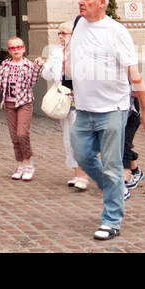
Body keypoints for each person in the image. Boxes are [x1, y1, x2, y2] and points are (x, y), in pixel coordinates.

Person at [65, 0, 145, 241]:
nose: (81, 2)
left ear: (102, 3)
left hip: (113, 109)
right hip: (84, 108)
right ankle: (114, 189)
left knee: (112, 165)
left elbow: (134, 72)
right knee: (82, 155)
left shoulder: (117, 32)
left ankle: (112, 219)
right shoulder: (79, 24)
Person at [0, 37, 44, 180]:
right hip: (9, 104)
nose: (16, 50)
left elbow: (33, 82)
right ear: (9, 51)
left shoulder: (29, 65)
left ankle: (29, 164)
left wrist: (38, 67)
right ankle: (20, 165)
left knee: (22, 134)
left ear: (24, 49)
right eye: (12, 48)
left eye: (18, 47)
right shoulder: (5, 65)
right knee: (14, 137)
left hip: (24, 103)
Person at [42, 21, 89, 190]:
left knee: (81, 138)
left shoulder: (82, 52)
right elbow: (47, 75)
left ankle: (84, 174)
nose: (61, 37)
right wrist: (46, 64)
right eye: (59, 34)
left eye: (64, 33)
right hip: (64, 102)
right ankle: (77, 174)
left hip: (81, 101)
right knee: (69, 138)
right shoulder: (56, 52)